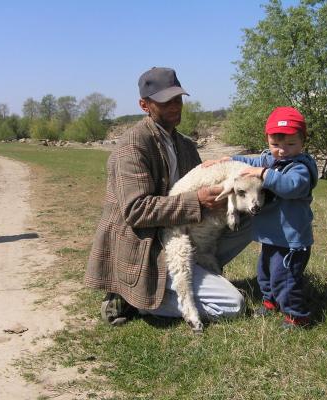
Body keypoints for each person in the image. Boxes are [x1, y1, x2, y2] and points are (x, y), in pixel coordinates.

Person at [84, 67, 246, 326]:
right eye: (165, 100)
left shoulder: (185, 145)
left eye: (178, 99)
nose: (175, 106)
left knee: (250, 214)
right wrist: (198, 201)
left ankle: (280, 284)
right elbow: (136, 210)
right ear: (144, 105)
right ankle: (140, 299)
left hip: (183, 233)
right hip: (146, 242)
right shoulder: (133, 145)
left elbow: (206, 183)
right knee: (233, 305)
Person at [204, 106, 318, 328]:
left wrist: (265, 174)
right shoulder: (271, 160)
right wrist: (228, 160)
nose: (282, 151)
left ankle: (297, 315)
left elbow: (290, 187)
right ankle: (270, 302)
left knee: (284, 277)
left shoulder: (300, 168)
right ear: (267, 140)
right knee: (265, 272)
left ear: (303, 142)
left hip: (291, 240)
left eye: (290, 144)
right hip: (272, 237)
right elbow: (253, 163)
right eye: (275, 145)